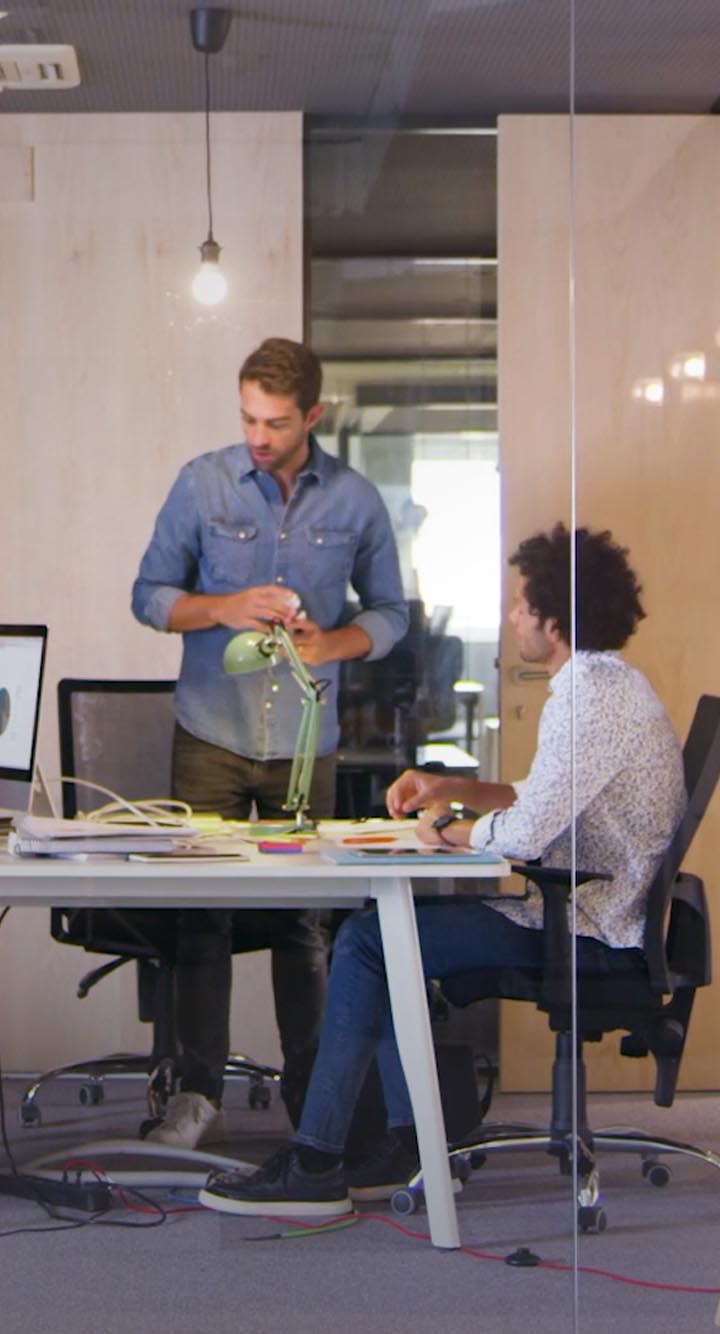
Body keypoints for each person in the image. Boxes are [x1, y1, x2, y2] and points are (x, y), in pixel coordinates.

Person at [196, 522, 687, 1216]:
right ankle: (408, 1146)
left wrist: (452, 831)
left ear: (552, 619)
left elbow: (524, 832)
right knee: (385, 938)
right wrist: (450, 790)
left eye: (522, 604)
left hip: (587, 926)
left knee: (369, 942)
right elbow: (540, 798)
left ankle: (317, 1161)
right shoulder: (608, 685)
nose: (512, 616)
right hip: (591, 911)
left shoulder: (591, 696)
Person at [131, 336, 408, 1148]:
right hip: (209, 733)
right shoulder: (202, 481)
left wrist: (336, 644)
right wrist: (220, 607)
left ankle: (313, 1105)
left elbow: (390, 613)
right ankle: (195, 1099)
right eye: (248, 417)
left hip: (303, 741)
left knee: (301, 925)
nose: (258, 434)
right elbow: (149, 596)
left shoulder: (356, 500)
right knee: (200, 919)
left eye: (276, 422)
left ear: (313, 415)